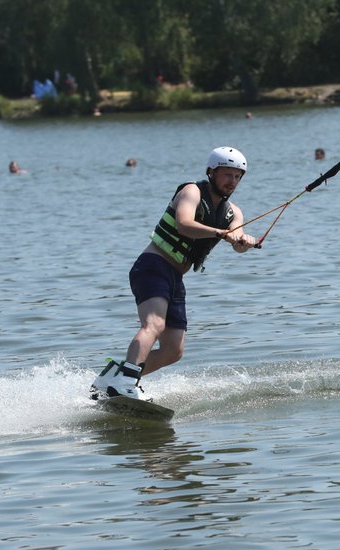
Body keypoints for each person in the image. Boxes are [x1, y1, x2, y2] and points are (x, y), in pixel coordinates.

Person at [90, 147, 257, 400]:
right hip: (153, 266)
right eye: (227, 175)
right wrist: (219, 233)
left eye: (237, 177)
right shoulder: (191, 191)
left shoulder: (233, 212)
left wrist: (243, 240)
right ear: (211, 172)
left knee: (173, 351)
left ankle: (113, 378)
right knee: (154, 325)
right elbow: (184, 224)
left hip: (176, 278)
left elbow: (237, 240)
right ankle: (125, 382)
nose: (232, 182)